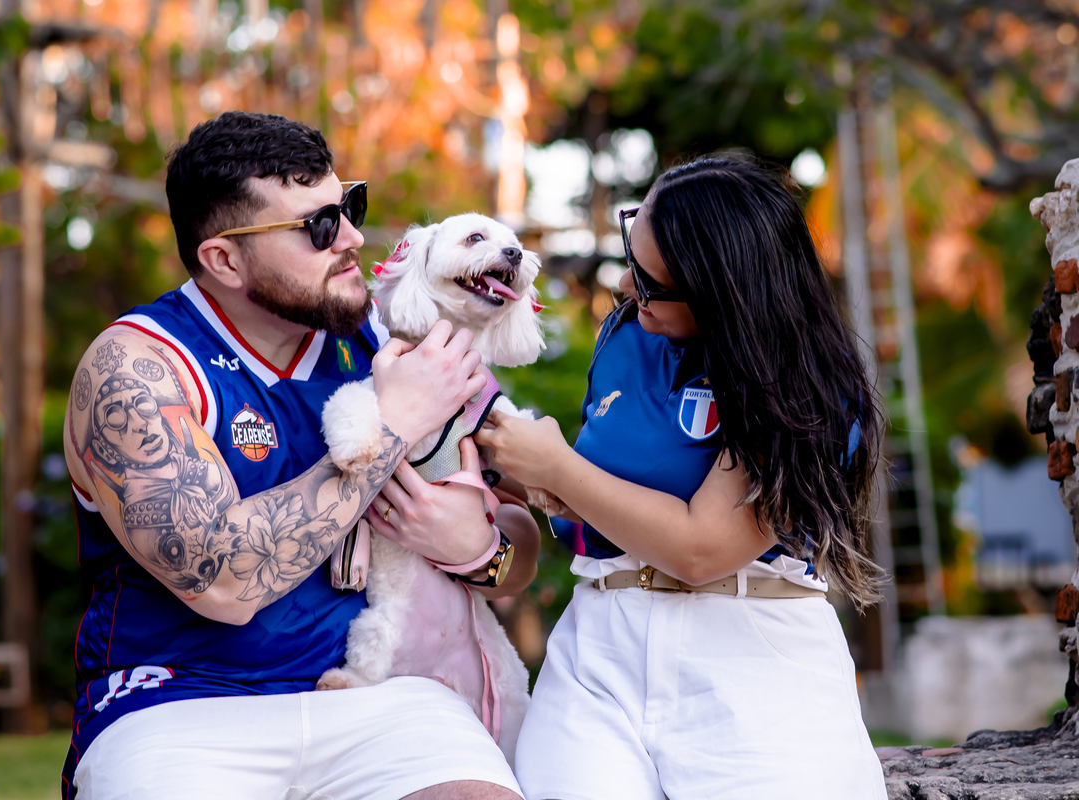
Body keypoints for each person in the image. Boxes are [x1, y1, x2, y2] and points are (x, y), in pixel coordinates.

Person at [60, 111, 539, 800]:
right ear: (224, 260)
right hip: (176, 703)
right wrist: (394, 426)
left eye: (350, 207)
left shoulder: (386, 338)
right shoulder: (138, 367)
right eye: (318, 227)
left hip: (376, 693)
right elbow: (221, 582)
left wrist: (481, 551)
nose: (352, 238)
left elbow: (520, 539)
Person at [476, 157, 888, 800]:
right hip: (600, 651)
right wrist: (509, 467)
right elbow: (603, 497)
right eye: (631, 258)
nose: (627, 286)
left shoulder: (805, 383)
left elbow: (703, 549)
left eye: (650, 282)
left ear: (722, 290)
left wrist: (557, 465)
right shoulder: (625, 336)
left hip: (751, 653)